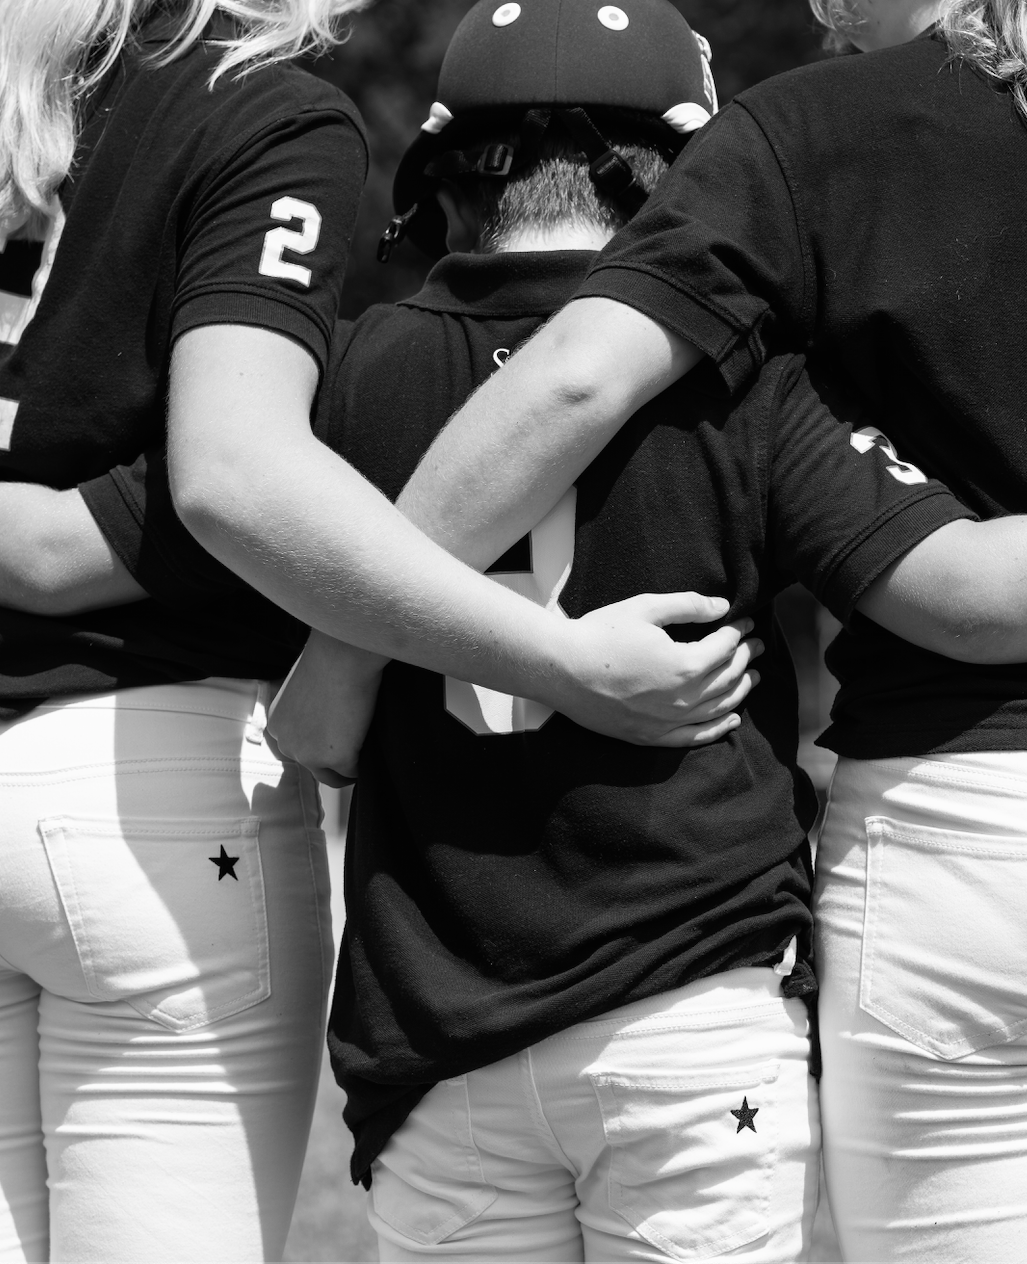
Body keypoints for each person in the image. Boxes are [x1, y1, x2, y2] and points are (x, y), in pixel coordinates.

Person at [268, 2, 1027, 1258]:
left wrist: (340, 653)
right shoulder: (750, 383)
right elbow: (954, 581)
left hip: (439, 1017)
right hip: (695, 1014)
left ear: (443, 172)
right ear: (676, 177)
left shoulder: (351, 368)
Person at [0, 2, 751, 1260]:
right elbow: (235, 477)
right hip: (140, 783)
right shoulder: (256, 101)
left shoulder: (370, 356)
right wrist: (552, 657)